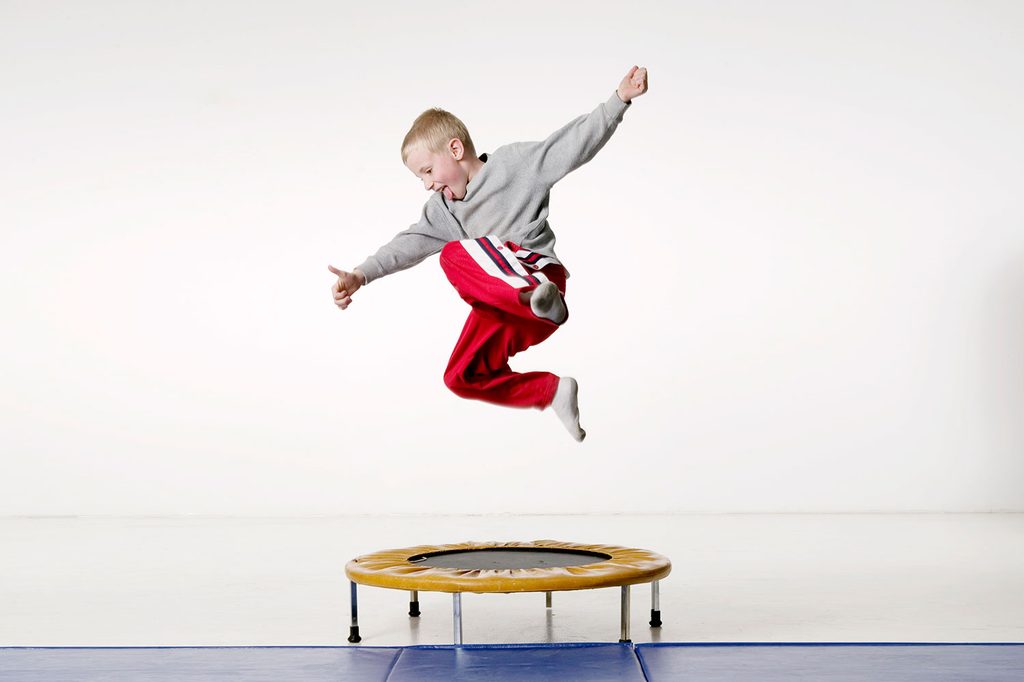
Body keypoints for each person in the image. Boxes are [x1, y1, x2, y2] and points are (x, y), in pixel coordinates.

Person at [329, 66, 650, 442]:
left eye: (428, 171)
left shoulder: (513, 166)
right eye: (420, 178)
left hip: (540, 275)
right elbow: (409, 243)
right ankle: (552, 391)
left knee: (452, 254)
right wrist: (361, 274)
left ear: (455, 148)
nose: (428, 184)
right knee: (461, 375)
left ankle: (532, 294)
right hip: (515, 309)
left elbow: (569, 146)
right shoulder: (444, 210)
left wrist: (619, 100)